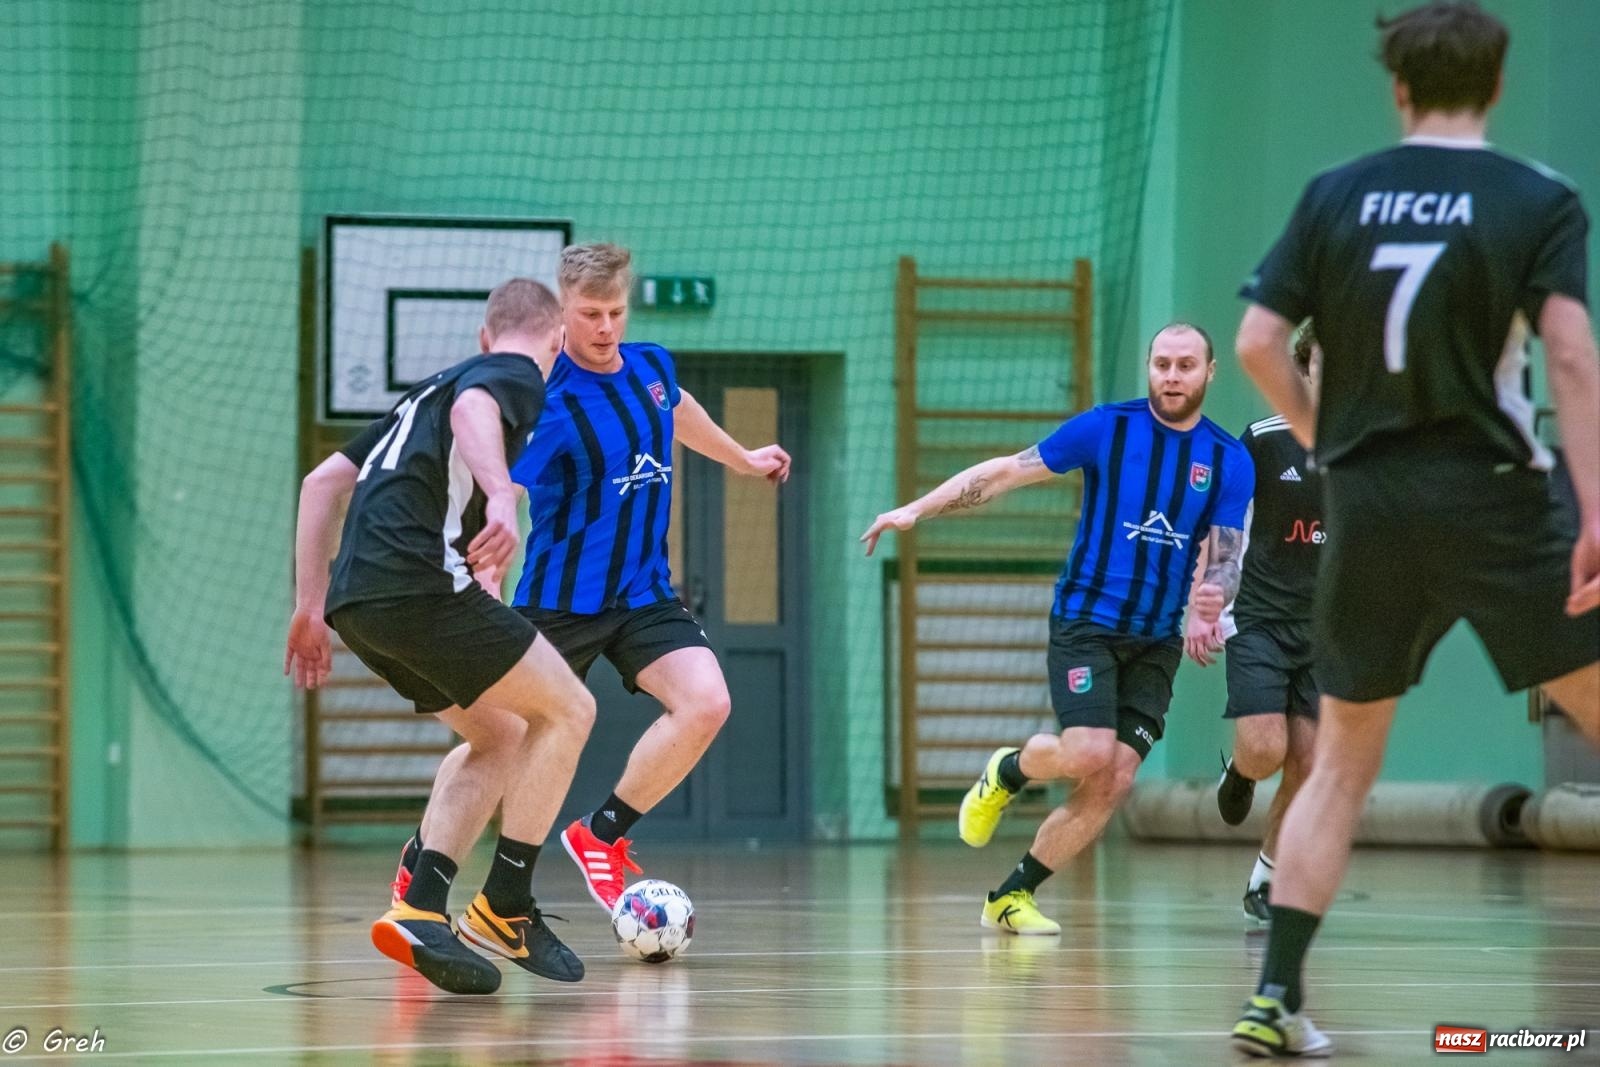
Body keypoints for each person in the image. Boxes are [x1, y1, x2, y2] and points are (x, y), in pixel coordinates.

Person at [1228, 3, 1600, 1056]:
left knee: (1340, 763)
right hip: (1493, 494)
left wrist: (1325, 438)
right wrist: (1597, 506)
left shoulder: (1333, 194)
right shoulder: (1537, 198)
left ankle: (1273, 995)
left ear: (1396, 86)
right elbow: (1570, 359)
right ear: (1497, 82)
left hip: (1371, 503)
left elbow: (1257, 338)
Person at [389, 243, 791, 915]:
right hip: (556, 600)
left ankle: (601, 835)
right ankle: (422, 858)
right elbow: (502, 492)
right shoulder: (544, 399)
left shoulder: (650, 367)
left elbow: (678, 408)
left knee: (707, 702)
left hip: (643, 593)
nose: (605, 327)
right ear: (562, 312)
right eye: (590, 313)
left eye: (616, 312)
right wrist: (486, 570)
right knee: (504, 742)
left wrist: (743, 458)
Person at [862, 322, 1254, 934]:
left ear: (1209, 373)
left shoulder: (1228, 460)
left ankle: (1010, 896)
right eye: (1160, 364)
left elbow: (1229, 556)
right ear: (1148, 368)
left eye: (1184, 365)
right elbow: (1005, 473)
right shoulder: (1107, 428)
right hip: (1086, 625)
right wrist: (915, 509)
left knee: (1116, 776)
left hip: (1155, 640)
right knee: (1089, 753)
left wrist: (1214, 595)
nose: (1170, 376)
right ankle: (1009, 770)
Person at [286, 279, 594, 995]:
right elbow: (476, 408)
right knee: (572, 710)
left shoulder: (419, 394)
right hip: (418, 582)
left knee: (503, 731)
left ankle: (421, 905)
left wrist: (309, 602)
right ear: (555, 343)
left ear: (485, 335)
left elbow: (320, 482)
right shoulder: (512, 376)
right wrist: (503, 499)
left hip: (359, 602)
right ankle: (505, 906)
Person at [1186, 322, 1325, 926]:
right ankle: (1240, 773)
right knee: (1268, 751)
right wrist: (1207, 598)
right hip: (1262, 616)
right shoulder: (1265, 441)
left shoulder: (1370, 448)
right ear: (1302, 366)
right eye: (1325, 362)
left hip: (1328, 630)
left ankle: (1267, 878)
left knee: (1311, 764)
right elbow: (1226, 527)